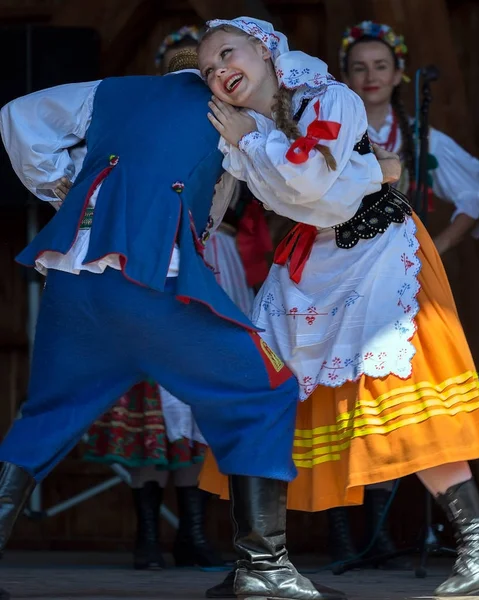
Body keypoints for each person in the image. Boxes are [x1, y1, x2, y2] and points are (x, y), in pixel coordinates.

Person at [0, 60, 345, 600]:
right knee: (263, 391)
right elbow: (293, 190)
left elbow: (19, 113)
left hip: (73, 282)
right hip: (148, 282)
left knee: (44, 417)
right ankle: (263, 567)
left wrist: (58, 188)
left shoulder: (112, 92)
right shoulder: (230, 113)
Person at [197, 16, 479, 598]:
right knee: (268, 385)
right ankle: (263, 559)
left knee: (402, 392)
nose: (219, 69)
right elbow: (229, 196)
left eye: (228, 52)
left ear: (266, 49)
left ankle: (478, 547)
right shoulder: (243, 126)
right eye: (207, 69)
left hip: (378, 252)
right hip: (312, 256)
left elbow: (306, 180)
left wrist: (249, 141)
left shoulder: (328, 96)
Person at [81, 38, 228, 573]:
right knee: (149, 405)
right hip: (142, 273)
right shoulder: (137, 132)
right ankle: (147, 537)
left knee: (190, 406)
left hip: (202, 269)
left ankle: (191, 534)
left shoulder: (225, 133)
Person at [340, 20, 479, 255]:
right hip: (344, 264)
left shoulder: (421, 138)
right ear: (346, 77)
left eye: (380, 66)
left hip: (400, 265)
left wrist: (431, 252)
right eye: (359, 68)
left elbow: (474, 194)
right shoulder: (333, 137)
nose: (370, 76)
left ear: (397, 75)